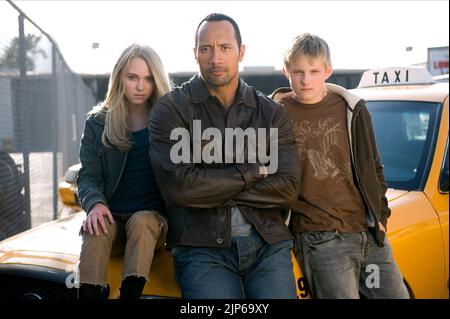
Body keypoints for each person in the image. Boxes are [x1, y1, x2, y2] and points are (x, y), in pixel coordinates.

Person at [149, 13, 301, 299]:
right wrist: (251, 171)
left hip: (267, 243)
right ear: (195, 53)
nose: (215, 58)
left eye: (225, 48)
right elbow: (180, 188)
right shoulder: (172, 109)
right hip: (201, 248)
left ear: (241, 52)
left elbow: (288, 187)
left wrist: (210, 185)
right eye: (206, 48)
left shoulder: (270, 112)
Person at [271, 33, 409, 299]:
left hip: (367, 236)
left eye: (314, 71)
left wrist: (380, 217)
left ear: (328, 70)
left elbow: (374, 165)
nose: (305, 79)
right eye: (298, 71)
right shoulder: (274, 113)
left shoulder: (352, 108)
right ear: (285, 70)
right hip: (320, 239)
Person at [76, 44, 171, 299]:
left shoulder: (170, 121)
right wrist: (94, 204)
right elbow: (88, 175)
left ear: (157, 81)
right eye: (132, 77)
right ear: (120, 77)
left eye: (148, 79)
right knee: (96, 228)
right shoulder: (98, 122)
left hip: (154, 223)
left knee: (141, 220)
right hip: (114, 221)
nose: (140, 86)